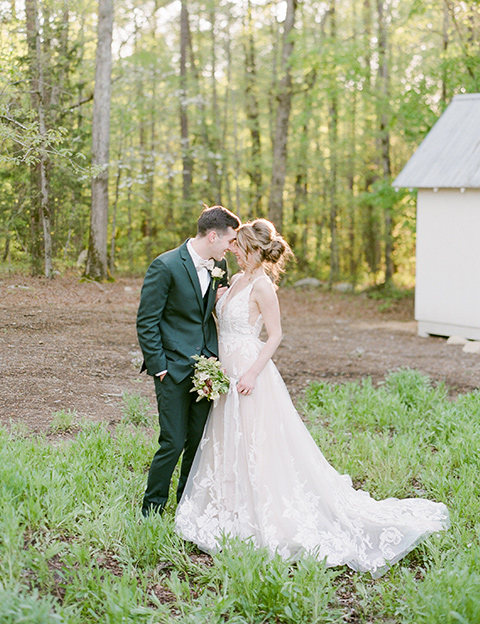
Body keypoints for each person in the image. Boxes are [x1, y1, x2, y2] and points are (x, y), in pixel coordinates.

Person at [175, 219, 449, 578]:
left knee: (257, 444)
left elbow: (274, 335)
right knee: (229, 441)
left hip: (249, 373)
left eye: (240, 247)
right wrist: (221, 302)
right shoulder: (237, 280)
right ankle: (227, 505)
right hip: (224, 371)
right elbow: (222, 321)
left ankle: (264, 513)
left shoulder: (262, 286)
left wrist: (253, 372)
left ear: (255, 250)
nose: (234, 252)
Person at [137, 205, 240, 517]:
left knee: (198, 441)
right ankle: (152, 508)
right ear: (212, 235)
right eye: (229, 240)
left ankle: (187, 504)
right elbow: (147, 321)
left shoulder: (218, 267)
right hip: (172, 369)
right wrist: (160, 367)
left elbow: (203, 315)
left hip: (206, 369)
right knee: (173, 441)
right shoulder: (165, 265)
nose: (230, 247)